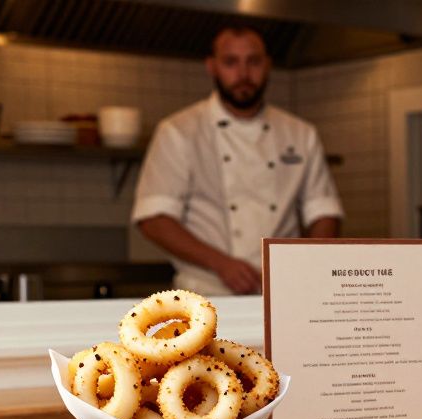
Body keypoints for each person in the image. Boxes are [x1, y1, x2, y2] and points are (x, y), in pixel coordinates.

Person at [133, 25, 344, 296]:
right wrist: (221, 264)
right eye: (231, 62)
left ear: (267, 65)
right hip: (204, 294)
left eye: (253, 62)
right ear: (212, 66)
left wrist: (306, 269)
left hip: (282, 292)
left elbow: (324, 212)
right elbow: (154, 219)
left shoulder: (300, 133)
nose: (243, 74)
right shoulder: (179, 131)